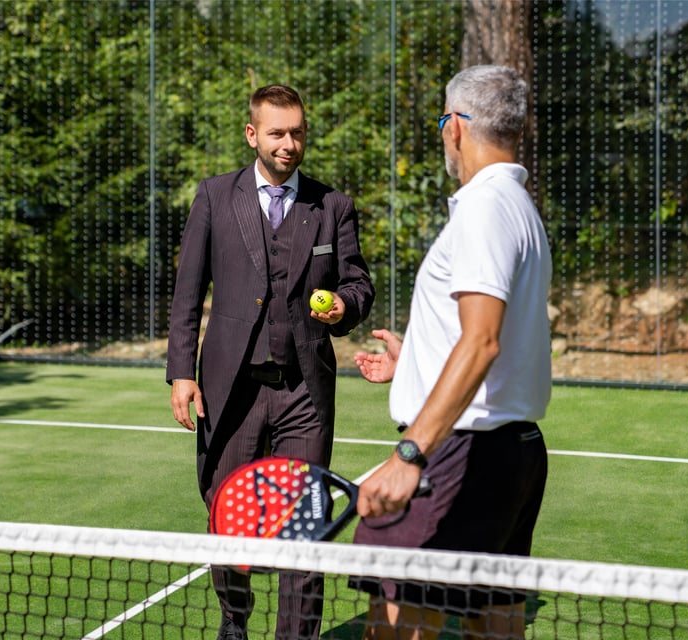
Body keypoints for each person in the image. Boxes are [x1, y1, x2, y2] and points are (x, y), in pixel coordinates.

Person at [166, 84, 375, 640]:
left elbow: (358, 284)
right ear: (253, 134)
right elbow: (188, 293)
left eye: (298, 132)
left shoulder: (332, 206)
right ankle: (234, 621)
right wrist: (182, 372)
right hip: (229, 388)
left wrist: (343, 308)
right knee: (225, 513)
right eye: (278, 133)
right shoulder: (213, 196)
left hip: (304, 392)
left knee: (303, 524)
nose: (290, 144)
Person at [350, 65, 552, 640]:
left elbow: (482, 340)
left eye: (443, 121)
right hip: (513, 454)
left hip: (455, 456)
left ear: (456, 127)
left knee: (396, 627)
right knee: (495, 623)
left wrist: (410, 454)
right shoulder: (519, 208)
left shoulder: (484, 209)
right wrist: (413, 358)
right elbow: (498, 337)